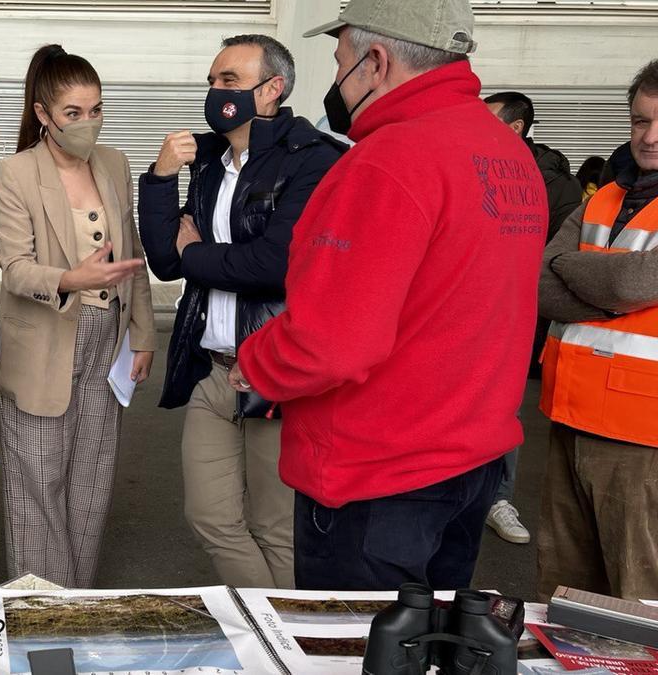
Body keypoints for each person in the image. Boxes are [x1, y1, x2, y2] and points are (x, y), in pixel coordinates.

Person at [231, 0, 547, 592]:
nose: (336, 79)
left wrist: (256, 363)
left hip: (377, 478)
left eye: (339, 58)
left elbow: (331, 343)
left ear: (375, 62)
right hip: (470, 463)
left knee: (356, 651)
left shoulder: (386, 162)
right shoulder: (507, 154)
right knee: (426, 645)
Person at [137, 35, 344, 589]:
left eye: (229, 80)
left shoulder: (313, 160)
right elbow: (163, 259)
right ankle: (271, 625)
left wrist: (195, 252)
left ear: (272, 89)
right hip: (213, 370)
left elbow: (274, 265)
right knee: (210, 517)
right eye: (211, 80)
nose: (215, 91)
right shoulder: (210, 162)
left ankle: (285, 646)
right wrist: (159, 178)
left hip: (276, 373)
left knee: (275, 528)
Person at [0, 45, 156, 588]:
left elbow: (133, 255)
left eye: (97, 110)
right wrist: (69, 279)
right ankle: (42, 611)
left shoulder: (113, 163)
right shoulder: (15, 172)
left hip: (107, 338)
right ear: (43, 114)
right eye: (73, 113)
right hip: (45, 338)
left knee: (91, 478)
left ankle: (77, 604)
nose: (89, 124)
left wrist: (143, 334)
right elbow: (14, 270)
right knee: (37, 482)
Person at [536, 59, 658, 602]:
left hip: (642, 433)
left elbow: (635, 280)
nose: (649, 138)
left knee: (636, 596)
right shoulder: (605, 196)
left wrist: (581, 271)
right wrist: (610, 295)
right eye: (639, 122)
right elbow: (537, 284)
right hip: (568, 414)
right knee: (564, 589)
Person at [481, 91, 584, 546]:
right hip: (467, 305)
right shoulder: (474, 162)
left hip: (515, 311)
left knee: (505, 406)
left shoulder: (554, 186)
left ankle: (497, 499)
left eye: (489, 118)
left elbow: (558, 261)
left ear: (516, 126)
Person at [485, 92, 583, 240]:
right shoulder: (478, 170)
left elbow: (560, 246)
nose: (477, 129)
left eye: (486, 122)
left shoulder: (559, 183)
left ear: (516, 127)